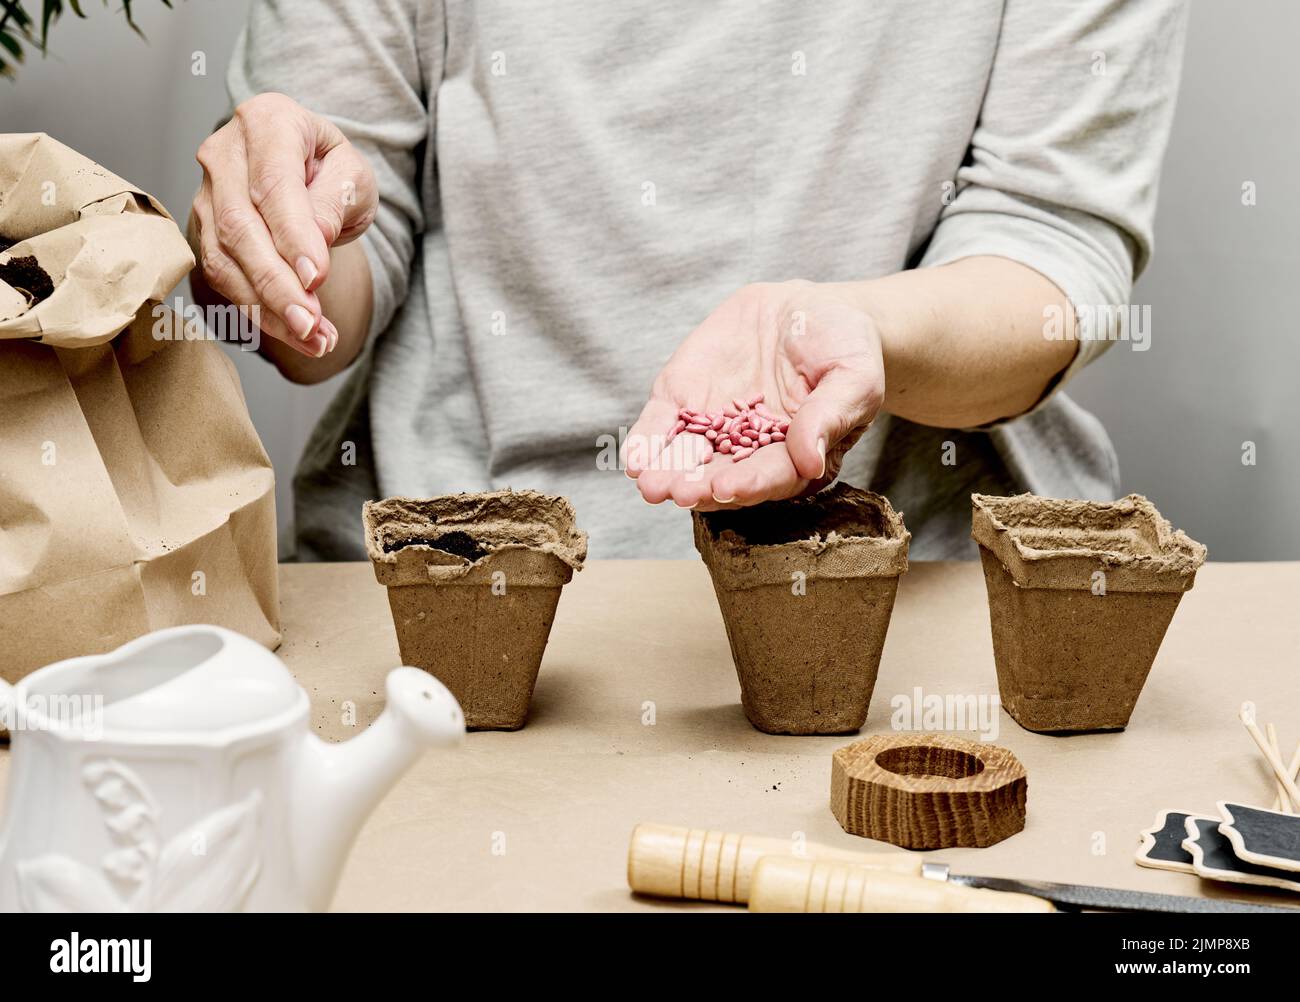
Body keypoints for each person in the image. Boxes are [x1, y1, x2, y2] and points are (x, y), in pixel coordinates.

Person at [189, 0, 1187, 560]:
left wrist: (860, 330)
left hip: (918, 596)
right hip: (450, 594)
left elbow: (1052, 238)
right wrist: (275, 249)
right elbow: (315, 317)